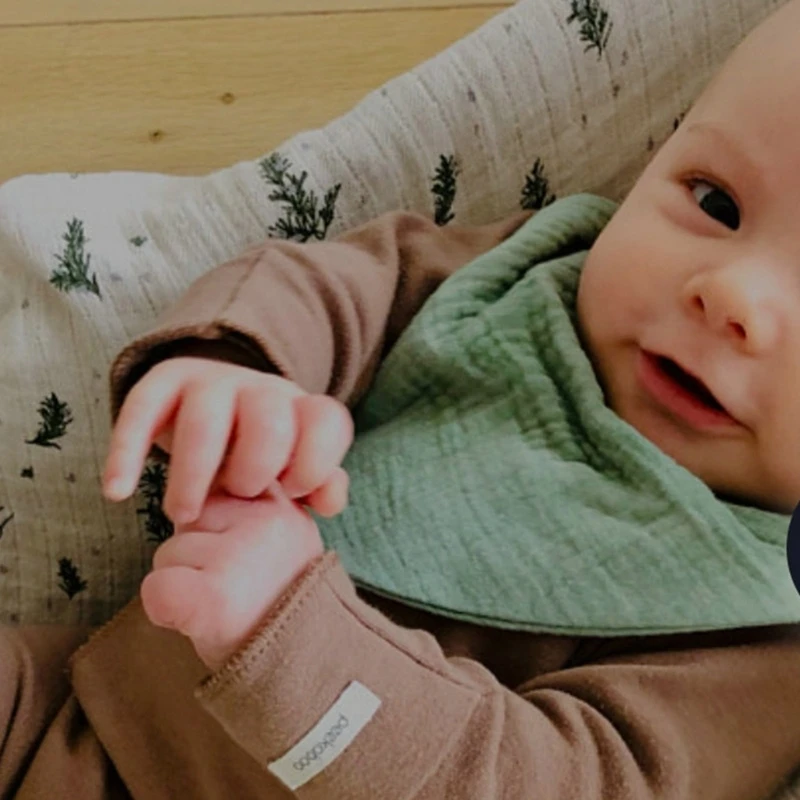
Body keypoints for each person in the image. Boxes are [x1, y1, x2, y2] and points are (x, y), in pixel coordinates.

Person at [3, 1, 800, 798]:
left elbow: (560, 783)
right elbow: (331, 283)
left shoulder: (759, 641)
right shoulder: (524, 278)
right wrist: (238, 367)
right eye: (715, 203)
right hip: (71, 716)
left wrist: (288, 646)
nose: (731, 293)